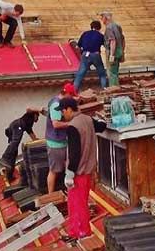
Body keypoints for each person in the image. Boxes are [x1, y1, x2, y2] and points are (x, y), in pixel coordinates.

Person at [56, 97, 106, 240]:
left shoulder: (73, 126)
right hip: (88, 170)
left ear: (69, 109)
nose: (62, 115)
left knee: (77, 204)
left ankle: (81, 232)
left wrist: (70, 173)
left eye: (63, 111)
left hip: (79, 172)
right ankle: (78, 231)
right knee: (79, 203)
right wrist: (105, 118)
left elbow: (74, 152)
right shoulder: (88, 119)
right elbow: (101, 126)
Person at [45, 83, 78, 193]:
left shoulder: (57, 101)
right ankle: (50, 195)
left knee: (63, 168)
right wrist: (71, 123)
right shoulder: (56, 105)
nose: (72, 98)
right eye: (71, 95)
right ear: (67, 93)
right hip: (55, 143)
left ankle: (65, 191)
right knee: (54, 170)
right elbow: (56, 124)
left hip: (60, 141)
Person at [0, 107, 44, 182]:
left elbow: (32, 135)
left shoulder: (29, 124)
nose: (37, 120)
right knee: (16, 141)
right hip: (17, 125)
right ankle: (4, 158)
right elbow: (28, 108)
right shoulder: (30, 115)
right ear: (35, 114)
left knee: (14, 152)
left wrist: (37, 141)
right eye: (37, 117)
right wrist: (40, 109)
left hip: (13, 128)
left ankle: (9, 176)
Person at [73, 21, 107, 91]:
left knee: (80, 74)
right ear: (99, 27)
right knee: (102, 74)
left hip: (85, 54)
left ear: (91, 26)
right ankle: (104, 89)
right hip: (96, 54)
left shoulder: (85, 34)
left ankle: (73, 91)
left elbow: (79, 46)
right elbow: (105, 45)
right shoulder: (100, 35)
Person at [100, 12, 125, 87]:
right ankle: (116, 87)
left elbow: (113, 41)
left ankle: (114, 89)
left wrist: (111, 55)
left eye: (102, 18)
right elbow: (123, 39)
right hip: (119, 50)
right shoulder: (117, 26)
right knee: (115, 71)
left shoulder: (109, 28)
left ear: (105, 18)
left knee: (112, 73)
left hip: (113, 51)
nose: (102, 20)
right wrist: (122, 51)